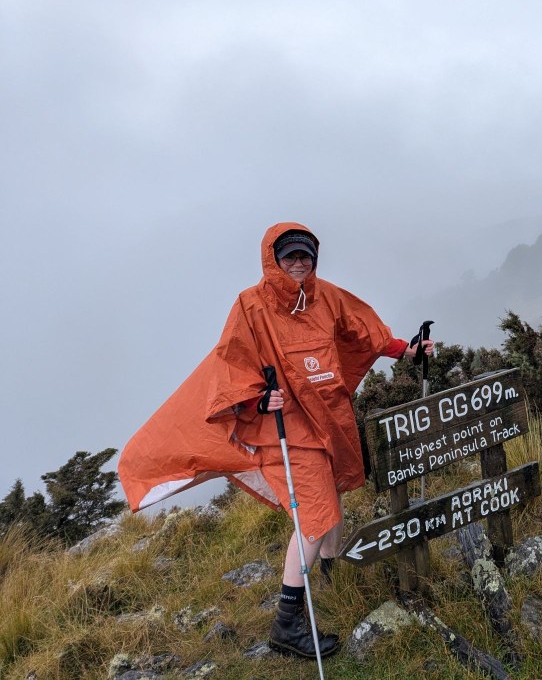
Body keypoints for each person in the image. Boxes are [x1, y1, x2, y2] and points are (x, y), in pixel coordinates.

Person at [119, 222, 433, 659]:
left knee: (333, 503)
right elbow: (233, 361)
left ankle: (328, 580)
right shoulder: (251, 306)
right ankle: (287, 624)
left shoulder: (327, 296)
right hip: (286, 428)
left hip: (327, 418)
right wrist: (258, 399)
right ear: (273, 260)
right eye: (290, 257)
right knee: (315, 517)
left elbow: (361, 330)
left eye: (305, 255)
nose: (299, 263)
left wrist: (404, 350)